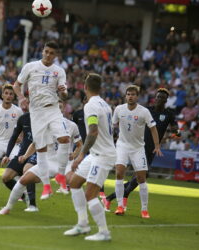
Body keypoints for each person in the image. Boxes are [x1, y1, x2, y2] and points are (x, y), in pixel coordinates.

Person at [13, 41, 70, 199]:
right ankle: (46, 186)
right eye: (46, 51)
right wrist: (21, 98)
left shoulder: (59, 71)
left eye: (52, 53)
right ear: (42, 51)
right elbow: (16, 85)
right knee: (41, 149)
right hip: (36, 112)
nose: (48, 55)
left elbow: (65, 95)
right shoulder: (30, 66)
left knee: (64, 138)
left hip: (52, 108)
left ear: (56, 55)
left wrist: (63, 92)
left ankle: (60, 175)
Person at [103, 88, 178, 211]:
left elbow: (176, 130)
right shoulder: (146, 110)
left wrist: (173, 134)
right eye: (158, 97)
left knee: (140, 176)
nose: (159, 99)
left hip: (152, 149)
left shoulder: (169, 114)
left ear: (166, 100)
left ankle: (112, 198)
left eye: (162, 98)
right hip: (139, 146)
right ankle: (116, 198)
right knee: (141, 175)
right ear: (155, 97)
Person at [63, 73, 115, 241]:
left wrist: (80, 155)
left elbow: (93, 131)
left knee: (90, 195)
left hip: (103, 155)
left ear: (85, 87)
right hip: (96, 153)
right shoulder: (105, 105)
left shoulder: (90, 106)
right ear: (100, 88)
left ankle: (104, 232)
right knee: (74, 181)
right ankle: (82, 224)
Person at [112, 85, 163, 219]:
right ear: (125, 96)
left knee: (141, 178)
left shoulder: (144, 111)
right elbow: (111, 126)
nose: (130, 96)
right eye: (128, 94)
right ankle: (119, 206)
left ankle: (144, 209)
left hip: (137, 148)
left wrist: (157, 145)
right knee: (119, 173)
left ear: (137, 96)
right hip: (122, 145)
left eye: (133, 94)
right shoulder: (118, 109)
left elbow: (153, 128)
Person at [0, 98, 38, 212]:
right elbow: (14, 136)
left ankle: (32, 205)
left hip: (36, 154)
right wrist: (7, 154)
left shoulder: (43, 119)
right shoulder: (23, 118)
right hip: (22, 154)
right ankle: (23, 196)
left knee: (28, 171)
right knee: (5, 178)